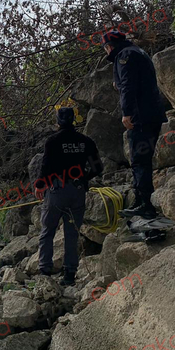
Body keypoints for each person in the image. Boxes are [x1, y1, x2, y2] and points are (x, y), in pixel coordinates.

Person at [34, 108, 104, 285]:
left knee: (47, 231)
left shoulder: (53, 141)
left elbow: (46, 167)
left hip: (56, 193)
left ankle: (45, 272)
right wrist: (83, 179)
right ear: (74, 120)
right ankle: (69, 275)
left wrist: (39, 185)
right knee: (72, 234)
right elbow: (97, 168)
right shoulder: (85, 141)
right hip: (77, 192)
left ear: (57, 121)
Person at [102, 30, 167, 219]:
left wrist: (127, 113)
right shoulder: (138, 51)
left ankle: (145, 204)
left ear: (109, 47)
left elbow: (129, 86)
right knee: (143, 159)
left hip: (140, 115)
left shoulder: (125, 56)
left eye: (105, 49)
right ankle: (142, 201)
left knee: (139, 160)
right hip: (152, 113)